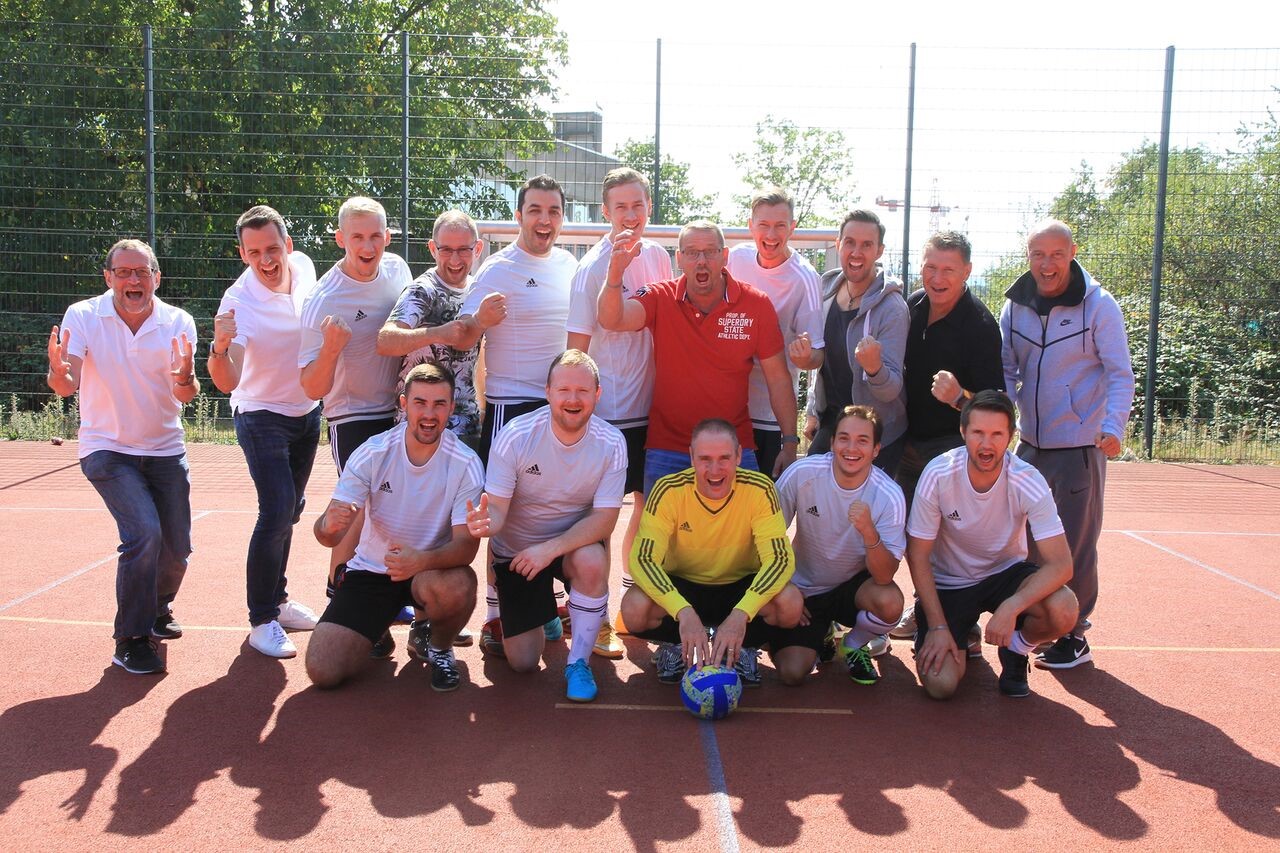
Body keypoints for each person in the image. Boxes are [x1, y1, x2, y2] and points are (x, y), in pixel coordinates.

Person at [47, 239, 198, 675]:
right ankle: (131, 639)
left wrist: (186, 378)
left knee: (177, 549)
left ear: (156, 278)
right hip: (107, 449)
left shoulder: (178, 321)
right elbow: (67, 383)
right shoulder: (83, 315)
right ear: (109, 277)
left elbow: (186, 394)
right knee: (144, 533)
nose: (134, 279)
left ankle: (157, 608)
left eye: (142, 272)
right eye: (124, 272)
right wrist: (58, 372)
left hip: (165, 450)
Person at [453, 175, 579, 654]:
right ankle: (494, 613)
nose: (544, 220)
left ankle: (549, 604)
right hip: (510, 405)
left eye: (553, 211)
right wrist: (479, 321)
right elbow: (464, 336)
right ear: (519, 216)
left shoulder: (569, 264)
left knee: (559, 506)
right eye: (535, 210)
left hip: (560, 405)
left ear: (562, 218)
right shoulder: (497, 268)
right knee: (503, 512)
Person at [1000, 219, 1135, 670]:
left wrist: (1113, 426)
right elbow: (1006, 369)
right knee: (1025, 543)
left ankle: (1075, 635)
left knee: (1075, 544)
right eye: (1038, 254)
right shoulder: (1014, 306)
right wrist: (1003, 421)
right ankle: (1038, 619)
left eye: (1057, 254)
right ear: (1028, 256)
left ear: (1072, 253)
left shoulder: (1099, 305)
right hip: (1030, 444)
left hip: (1080, 445)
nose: (1047, 264)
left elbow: (1120, 373)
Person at [306, 362, 482, 691]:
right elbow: (327, 535)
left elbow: (466, 547)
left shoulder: (466, 464)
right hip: (373, 571)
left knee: (460, 584)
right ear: (403, 404)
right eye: (420, 403)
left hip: (429, 572)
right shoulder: (373, 453)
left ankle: (438, 646)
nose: (429, 414)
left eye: (439, 404)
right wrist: (327, 527)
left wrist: (421, 560)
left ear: (451, 408)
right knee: (323, 670)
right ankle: (375, 629)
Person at [464, 350, 627, 703]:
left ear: (597, 394)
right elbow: (499, 512)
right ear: (548, 392)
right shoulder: (515, 435)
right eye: (564, 389)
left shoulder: (612, 442)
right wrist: (485, 523)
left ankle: (578, 663)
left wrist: (550, 549)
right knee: (523, 663)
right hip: (519, 555)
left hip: (567, 549)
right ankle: (545, 615)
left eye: (583, 391)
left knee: (593, 560)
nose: (573, 399)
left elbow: (605, 520)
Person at [597, 220, 800, 490]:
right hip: (668, 449)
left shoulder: (756, 304)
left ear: (724, 256)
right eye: (692, 252)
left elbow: (778, 379)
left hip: (733, 450)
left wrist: (790, 442)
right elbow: (612, 319)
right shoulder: (660, 296)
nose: (701, 261)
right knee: (661, 520)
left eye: (710, 252)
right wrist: (614, 275)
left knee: (747, 519)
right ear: (679, 258)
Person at [906, 390, 1078, 699]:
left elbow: (1061, 564)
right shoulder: (939, 474)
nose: (987, 444)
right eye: (978, 433)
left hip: (1005, 575)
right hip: (950, 583)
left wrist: (1012, 606)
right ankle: (954, 630)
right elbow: (917, 555)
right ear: (963, 432)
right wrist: (938, 627)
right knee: (941, 685)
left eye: (997, 434)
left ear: (1011, 436)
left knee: (1064, 608)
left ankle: (1016, 649)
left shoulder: (1027, 479)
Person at [565, 166, 673, 656]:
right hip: (607, 416)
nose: (630, 215)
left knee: (649, 510)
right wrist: (579, 411)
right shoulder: (591, 268)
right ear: (605, 212)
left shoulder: (659, 257)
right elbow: (576, 350)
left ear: (649, 208)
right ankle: (597, 615)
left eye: (637, 205)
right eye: (620, 207)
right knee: (601, 519)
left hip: (652, 411)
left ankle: (634, 598)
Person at [208, 205, 323, 659]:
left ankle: (279, 600)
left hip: (307, 411)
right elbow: (227, 380)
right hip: (260, 414)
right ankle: (261, 620)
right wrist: (219, 347)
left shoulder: (306, 268)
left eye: (272, 248)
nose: (266, 260)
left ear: (288, 245)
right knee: (275, 511)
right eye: (254, 252)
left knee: (291, 510)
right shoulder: (237, 301)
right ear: (243, 254)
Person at [298, 196, 410, 654]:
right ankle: (339, 603)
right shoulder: (322, 299)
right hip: (351, 415)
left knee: (399, 508)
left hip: (398, 411)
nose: (368, 246)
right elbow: (311, 386)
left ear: (388, 237)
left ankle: (388, 604)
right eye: (357, 237)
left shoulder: (398, 271)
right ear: (340, 239)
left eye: (376, 236)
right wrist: (330, 349)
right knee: (358, 509)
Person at [621, 419, 803, 687]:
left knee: (790, 603)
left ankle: (742, 647)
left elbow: (780, 560)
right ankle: (676, 645)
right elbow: (642, 560)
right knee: (634, 608)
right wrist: (682, 611)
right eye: (705, 459)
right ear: (691, 457)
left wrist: (742, 613)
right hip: (683, 585)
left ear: (738, 456)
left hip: (740, 585)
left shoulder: (760, 489)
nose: (715, 469)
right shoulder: (668, 489)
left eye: (724, 458)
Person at [889, 231, 1004, 645]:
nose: (937, 278)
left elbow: (995, 405)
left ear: (967, 272)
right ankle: (923, 605)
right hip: (906, 441)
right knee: (907, 533)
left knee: (948, 537)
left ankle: (963, 620)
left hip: (951, 448)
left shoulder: (981, 326)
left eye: (948, 270)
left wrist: (959, 398)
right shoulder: (911, 307)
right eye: (930, 267)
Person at [770, 406, 906, 686]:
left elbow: (884, 577)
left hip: (852, 588)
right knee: (791, 673)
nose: (851, 448)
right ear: (832, 443)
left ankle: (854, 644)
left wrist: (869, 532)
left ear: (876, 449)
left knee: (890, 603)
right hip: (804, 589)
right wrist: (783, 588)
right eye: (844, 438)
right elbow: (767, 536)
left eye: (862, 441)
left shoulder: (889, 495)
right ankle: (821, 633)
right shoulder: (802, 474)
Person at [726, 187, 825, 477]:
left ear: (792, 227)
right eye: (764, 225)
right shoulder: (735, 259)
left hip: (770, 414)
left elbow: (817, 355)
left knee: (765, 497)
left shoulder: (805, 277)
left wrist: (804, 357)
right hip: (727, 406)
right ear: (751, 226)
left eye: (780, 225)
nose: (771, 235)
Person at [805, 210, 909, 475]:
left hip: (876, 432)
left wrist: (874, 369)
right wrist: (812, 411)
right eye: (850, 242)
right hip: (833, 421)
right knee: (809, 486)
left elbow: (891, 390)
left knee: (861, 501)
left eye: (866, 245)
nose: (856, 252)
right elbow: (821, 361)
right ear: (838, 244)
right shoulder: (825, 290)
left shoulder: (893, 308)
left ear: (879, 251)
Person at [377, 209, 488, 449]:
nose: (455, 260)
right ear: (432, 249)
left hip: (466, 428)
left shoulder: (477, 290)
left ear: (477, 249)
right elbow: (385, 340)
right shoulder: (423, 291)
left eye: (463, 250)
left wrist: (483, 407)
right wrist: (437, 333)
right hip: (421, 430)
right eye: (446, 249)